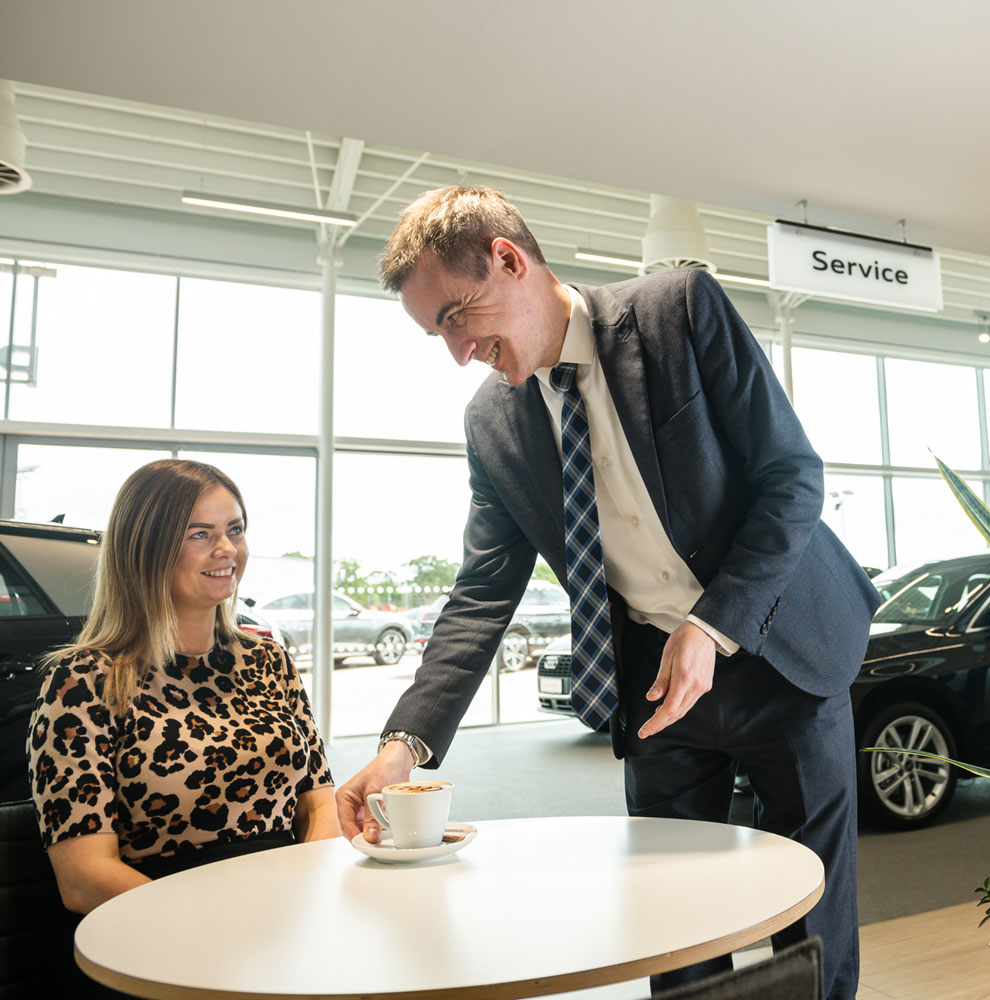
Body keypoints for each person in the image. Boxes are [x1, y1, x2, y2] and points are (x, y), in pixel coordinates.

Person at [334, 186, 879, 999]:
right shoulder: (492, 425)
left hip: (780, 649)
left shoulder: (679, 311)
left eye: (455, 317)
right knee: (673, 922)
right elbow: (482, 595)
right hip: (654, 686)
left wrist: (711, 625)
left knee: (810, 916)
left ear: (508, 260)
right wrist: (402, 746)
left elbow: (791, 479)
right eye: (436, 334)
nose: (457, 352)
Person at [28, 459, 338, 919]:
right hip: (162, 926)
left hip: (285, 915)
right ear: (146, 549)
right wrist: (212, 923)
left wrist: (310, 899)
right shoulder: (83, 681)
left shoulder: (268, 660)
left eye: (235, 530)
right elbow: (83, 877)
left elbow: (320, 807)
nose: (227, 549)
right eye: (200, 534)